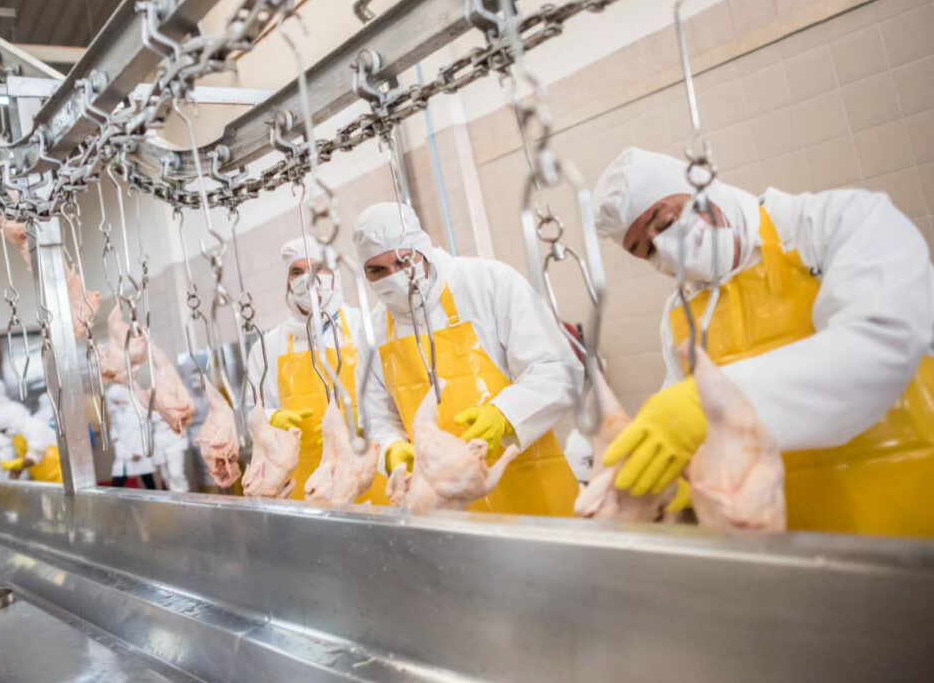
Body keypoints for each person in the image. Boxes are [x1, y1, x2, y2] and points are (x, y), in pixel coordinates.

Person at [591, 146, 934, 536]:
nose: (665, 248)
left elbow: (884, 343)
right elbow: (681, 436)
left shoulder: (838, 222)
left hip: (917, 521)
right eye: (646, 250)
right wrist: (669, 490)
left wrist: (720, 408)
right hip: (794, 549)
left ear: (704, 187)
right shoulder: (680, 316)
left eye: (667, 221)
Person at [353, 201, 582, 516]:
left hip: (531, 492)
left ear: (423, 249)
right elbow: (377, 418)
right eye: (377, 271)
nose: (393, 276)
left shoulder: (488, 282)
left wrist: (504, 415)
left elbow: (557, 369)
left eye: (403, 261)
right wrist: (391, 449)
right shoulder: (373, 331)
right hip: (442, 504)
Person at [246, 236, 386, 502]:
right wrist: (272, 419)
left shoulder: (366, 325)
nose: (306, 278)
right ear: (288, 281)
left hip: (367, 477)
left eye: (316, 268)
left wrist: (367, 414)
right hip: (306, 483)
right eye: (296, 271)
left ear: (332, 274)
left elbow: (392, 395)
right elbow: (251, 409)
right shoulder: (268, 345)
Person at [106, 384, 157, 489]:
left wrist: (139, 451)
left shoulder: (139, 409)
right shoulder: (117, 411)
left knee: (147, 479)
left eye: (118, 400)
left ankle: (156, 501)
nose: (117, 403)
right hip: (123, 451)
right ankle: (115, 504)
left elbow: (146, 429)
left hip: (138, 450)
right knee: (118, 478)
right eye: (115, 402)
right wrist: (114, 438)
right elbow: (114, 427)